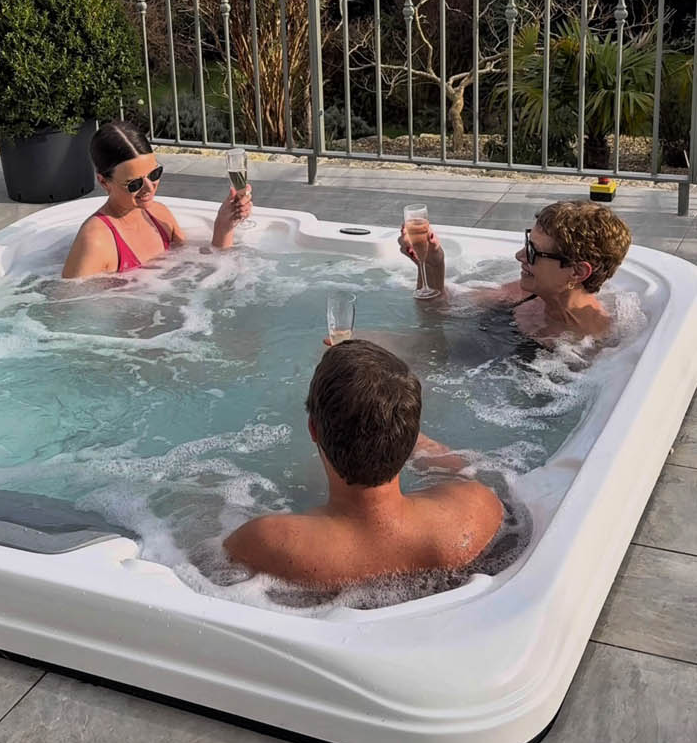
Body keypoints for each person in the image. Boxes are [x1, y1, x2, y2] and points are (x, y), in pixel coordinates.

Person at [224, 340, 503, 588]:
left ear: (313, 429)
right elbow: (459, 467)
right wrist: (394, 417)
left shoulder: (266, 542)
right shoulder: (476, 508)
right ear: (412, 432)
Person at [400, 200, 632, 342]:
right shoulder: (524, 295)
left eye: (533, 251)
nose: (519, 256)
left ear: (578, 272)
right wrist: (433, 263)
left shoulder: (593, 346)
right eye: (526, 243)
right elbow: (439, 308)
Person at [62, 120, 252, 278]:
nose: (149, 187)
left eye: (154, 173)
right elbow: (73, 314)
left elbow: (205, 271)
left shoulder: (159, 215)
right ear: (104, 182)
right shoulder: (96, 241)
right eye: (134, 184)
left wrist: (223, 228)